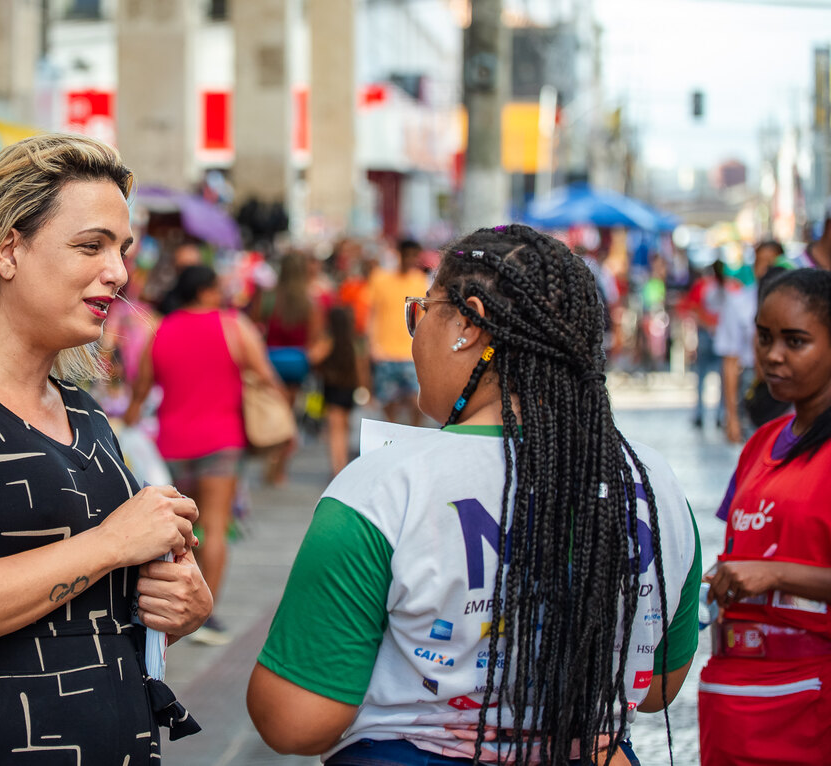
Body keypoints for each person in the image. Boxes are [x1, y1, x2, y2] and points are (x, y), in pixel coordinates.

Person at [247, 224, 701, 764]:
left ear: (467, 323)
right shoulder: (655, 484)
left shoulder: (384, 488)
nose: (415, 334)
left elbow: (295, 722)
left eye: (422, 312)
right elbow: (654, 688)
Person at [0, 133, 212, 765]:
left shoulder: (83, 411)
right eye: (91, 245)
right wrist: (114, 543)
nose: (120, 272)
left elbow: (87, 613)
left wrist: (175, 607)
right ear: (8, 249)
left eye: (122, 249)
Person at [699, 268, 831, 765]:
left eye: (795, 342)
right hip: (739, 704)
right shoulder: (760, 445)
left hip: (814, 710)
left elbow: (766, 567)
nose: (773, 355)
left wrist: (774, 573)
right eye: (764, 337)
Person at [125, 264, 283, 646]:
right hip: (221, 442)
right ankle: (202, 613)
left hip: (170, 445)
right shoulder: (233, 326)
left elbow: (141, 390)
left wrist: (127, 425)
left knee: (173, 530)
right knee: (213, 526)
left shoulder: (160, 330)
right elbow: (266, 375)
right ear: (208, 292)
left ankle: (163, 608)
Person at [255, 249, 324, 485]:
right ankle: (279, 468)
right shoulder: (309, 302)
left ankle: (269, 462)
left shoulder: (268, 297)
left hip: (270, 362)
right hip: (296, 365)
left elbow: (255, 328)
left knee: (272, 414)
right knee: (289, 417)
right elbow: (314, 338)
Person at [717, 241, 786, 443]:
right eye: (761, 262)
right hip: (754, 384)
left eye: (772, 263)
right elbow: (730, 360)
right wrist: (731, 417)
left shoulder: (797, 305)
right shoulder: (739, 303)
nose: (766, 269)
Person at [366, 238, 429, 426]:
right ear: (399, 254)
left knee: (417, 402)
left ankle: (414, 435)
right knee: (388, 401)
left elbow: (424, 318)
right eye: (408, 255)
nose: (411, 260)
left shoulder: (420, 281)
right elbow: (372, 313)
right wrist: (372, 345)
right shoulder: (380, 278)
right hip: (385, 351)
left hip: (410, 352)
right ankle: (393, 437)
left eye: (414, 256)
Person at [308, 305, 369, 475]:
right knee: (345, 429)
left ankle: (337, 469)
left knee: (335, 432)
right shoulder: (353, 341)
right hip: (349, 389)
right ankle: (343, 466)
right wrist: (364, 387)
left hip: (333, 389)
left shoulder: (329, 340)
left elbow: (312, 357)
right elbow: (361, 366)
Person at [677, 260, 729, 428]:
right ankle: (721, 414)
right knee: (723, 377)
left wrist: (706, 324)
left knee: (701, 376)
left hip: (706, 333)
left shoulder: (702, 286)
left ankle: (699, 413)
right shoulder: (731, 287)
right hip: (722, 333)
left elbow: (692, 308)